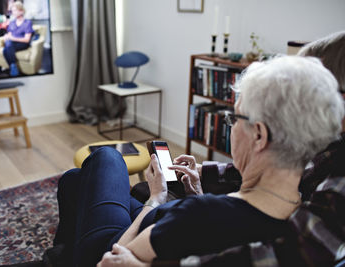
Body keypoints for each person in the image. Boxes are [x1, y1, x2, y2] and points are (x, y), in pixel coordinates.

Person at [49, 56, 344, 267]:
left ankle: (71, 257)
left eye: (234, 118)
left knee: (106, 157)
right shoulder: (304, 215)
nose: (231, 127)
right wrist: (195, 194)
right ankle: (61, 254)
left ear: (259, 135)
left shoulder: (199, 215)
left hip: (109, 246)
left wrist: (155, 198)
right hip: (164, 226)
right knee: (75, 181)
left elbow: (108, 260)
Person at [2, 1, 33, 76]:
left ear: (21, 11)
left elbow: (27, 40)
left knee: (6, 48)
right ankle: (13, 66)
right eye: (12, 11)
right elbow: (9, 35)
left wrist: (12, 38)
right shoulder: (12, 23)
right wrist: (6, 36)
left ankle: (12, 67)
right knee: (6, 47)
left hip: (22, 44)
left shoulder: (27, 23)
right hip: (12, 44)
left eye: (15, 10)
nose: (13, 12)